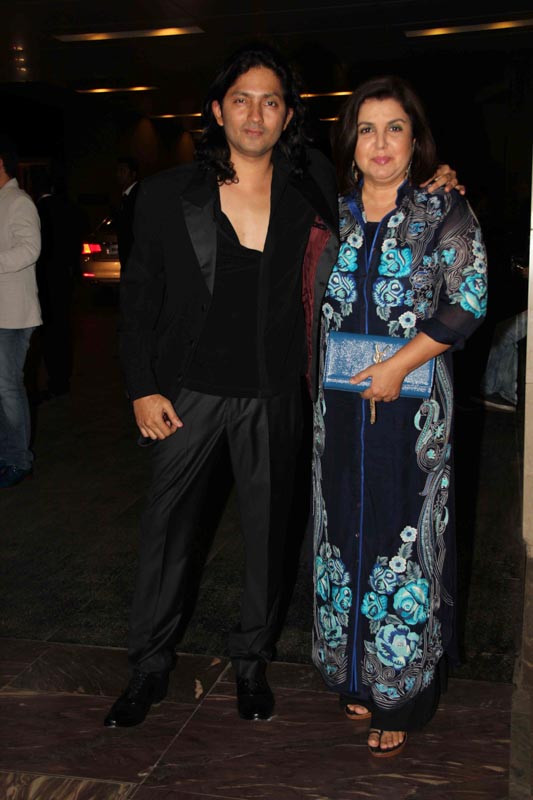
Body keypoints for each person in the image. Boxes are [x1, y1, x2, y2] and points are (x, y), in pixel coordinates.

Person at [106, 45, 460, 729]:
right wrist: (141, 387)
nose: (255, 114)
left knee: (270, 541)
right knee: (167, 537)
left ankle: (250, 664)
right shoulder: (163, 195)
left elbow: (385, 185)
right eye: (241, 99)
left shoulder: (313, 183)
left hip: (276, 393)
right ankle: (147, 668)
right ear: (217, 110)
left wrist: (436, 179)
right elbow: (138, 304)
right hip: (186, 397)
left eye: (270, 101)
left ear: (288, 115)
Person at [311, 76, 487, 757]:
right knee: (341, 532)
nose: (380, 143)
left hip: (412, 416)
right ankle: (353, 671)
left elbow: (468, 300)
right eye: (366, 129)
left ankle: (403, 694)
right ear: (349, 143)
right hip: (338, 412)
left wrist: (397, 366)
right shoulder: (330, 215)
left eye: (394, 128)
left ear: (415, 140)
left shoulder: (441, 211)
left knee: (403, 540)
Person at [0, 137, 42, 488]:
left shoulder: (18, 201)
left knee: (8, 388)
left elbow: (30, 249)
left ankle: (18, 461)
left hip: (12, 315)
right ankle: (7, 455)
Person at [34, 169, 83, 399]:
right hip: (64, 277)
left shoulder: (39, 210)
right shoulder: (68, 208)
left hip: (45, 280)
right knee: (63, 328)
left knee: (50, 332)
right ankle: (63, 377)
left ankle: (56, 378)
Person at [115, 157, 140, 273]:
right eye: (118, 171)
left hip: (135, 260)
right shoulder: (124, 197)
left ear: (133, 174)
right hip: (127, 260)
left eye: (123, 171)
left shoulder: (138, 196)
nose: (118, 175)